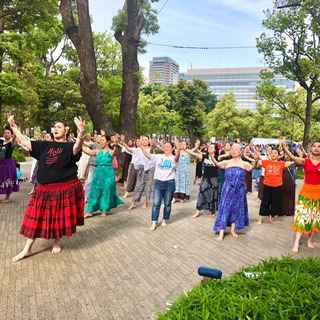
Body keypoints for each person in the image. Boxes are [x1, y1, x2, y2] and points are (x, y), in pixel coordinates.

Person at [8, 115, 86, 262]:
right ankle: (27, 248)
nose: (55, 129)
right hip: (44, 189)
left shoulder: (69, 146)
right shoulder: (44, 145)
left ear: (66, 130)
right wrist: (14, 127)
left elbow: (77, 147)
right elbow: (25, 141)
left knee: (59, 217)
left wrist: (81, 133)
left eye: (59, 127)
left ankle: (56, 242)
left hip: (64, 187)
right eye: (54, 127)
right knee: (36, 217)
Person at [281, 138, 320, 253]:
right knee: (302, 217)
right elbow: (293, 158)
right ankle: (296, 243)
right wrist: (284, 147)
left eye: (319, 146)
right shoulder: (305, 161)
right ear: (311, 148)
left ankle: (309, 240)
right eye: (314, 146)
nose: (316, 148)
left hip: (318, 193)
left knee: (315, 218)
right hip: (306, 192)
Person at [210, 144, 253, 241]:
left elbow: (251, 168)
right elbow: (218, 164)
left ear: (240, 152)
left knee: (236, 208)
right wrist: (212, 156)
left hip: (240, 189)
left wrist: (257, 160)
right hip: (228, 188)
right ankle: (221, 232)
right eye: (232, 149)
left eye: (236, 149)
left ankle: (233, 230)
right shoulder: (227, 162)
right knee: (225, 208)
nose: (233, 151)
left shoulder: (244, 163)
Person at [140, 139, 180, 230]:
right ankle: (154, 222)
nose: (165, 148)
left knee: (167, 203)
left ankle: (165, 220)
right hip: (158, 182)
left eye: (168, 146)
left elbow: (177, 158)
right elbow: (148, 155)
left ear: (172, 148)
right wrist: (141, 146)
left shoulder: (173, 158)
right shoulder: (159, 157)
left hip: (169, 183)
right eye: (164, 146)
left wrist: (179, 149)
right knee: (156, 203)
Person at [83, 135, 124, 218]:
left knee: (106, 190)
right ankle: (90, 211)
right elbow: (86, 151)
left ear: (108, 142)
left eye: (103, 140)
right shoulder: (97, 152)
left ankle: (104, 210)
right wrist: (80, 140)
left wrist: (116, 144)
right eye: (100, 140)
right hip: (98, 173)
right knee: (95, 191)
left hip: (108, 173)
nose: (101, 142)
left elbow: (115, 151)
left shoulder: (111, 151)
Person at [253, 147, 294, 225]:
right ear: (269, 154)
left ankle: (270, 218)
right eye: (272, 153)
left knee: (274, 202)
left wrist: (288, 151)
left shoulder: (281, 163)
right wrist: (256, 158)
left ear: (278, 155)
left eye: (275, 153)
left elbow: (293, 162)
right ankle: (260, 218)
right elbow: (257, 162)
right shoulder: (266, 162)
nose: (273, 154)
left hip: (277, 186)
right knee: (265, 202)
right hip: (267, 185)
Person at [185, 142, 220, 218]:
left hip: (214, 178)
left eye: (212, 147)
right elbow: (192, 153)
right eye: (209, 147)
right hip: (206, 178)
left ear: (215, 150)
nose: (210, 148)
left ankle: (212, 211)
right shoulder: (204, 156)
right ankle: (198, 211)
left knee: (213, 194)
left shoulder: (218, 157)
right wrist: (185, 149)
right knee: (202, 192)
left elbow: (227, 155)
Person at [122, 135, 155, 210]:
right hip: (142, 168)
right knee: (138, 185)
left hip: (150, 169)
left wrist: (152, 145)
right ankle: (133, 202)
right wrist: (123, 142)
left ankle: (146, 202)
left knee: (148, 186)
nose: (144, 141)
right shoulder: (138, 149)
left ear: (148, 141)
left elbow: (151, 152)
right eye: (142, 140)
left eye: (145, 140)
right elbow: (129, 149)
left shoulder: (150, 149)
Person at [0, 127, 19, 203]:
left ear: (11, 135)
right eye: (5, 132)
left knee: (7, 179)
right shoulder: (1, 142)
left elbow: (15, 137)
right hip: (0, 163)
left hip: (8, 164)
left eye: (8, 133)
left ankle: (7, 198)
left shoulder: (11, 143)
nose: (6, 134)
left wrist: (13, 126)